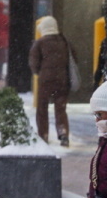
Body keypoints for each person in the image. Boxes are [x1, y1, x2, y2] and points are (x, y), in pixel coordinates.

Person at [29, 15, 75, 146]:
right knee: (60, 109)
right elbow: (74, 59)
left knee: (42, 108)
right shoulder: (64, 41)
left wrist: (40, 72)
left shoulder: (40, 43)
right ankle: (63, 133)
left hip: (45, 81)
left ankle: (43, 135)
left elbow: (34, 64)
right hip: (63, 80)